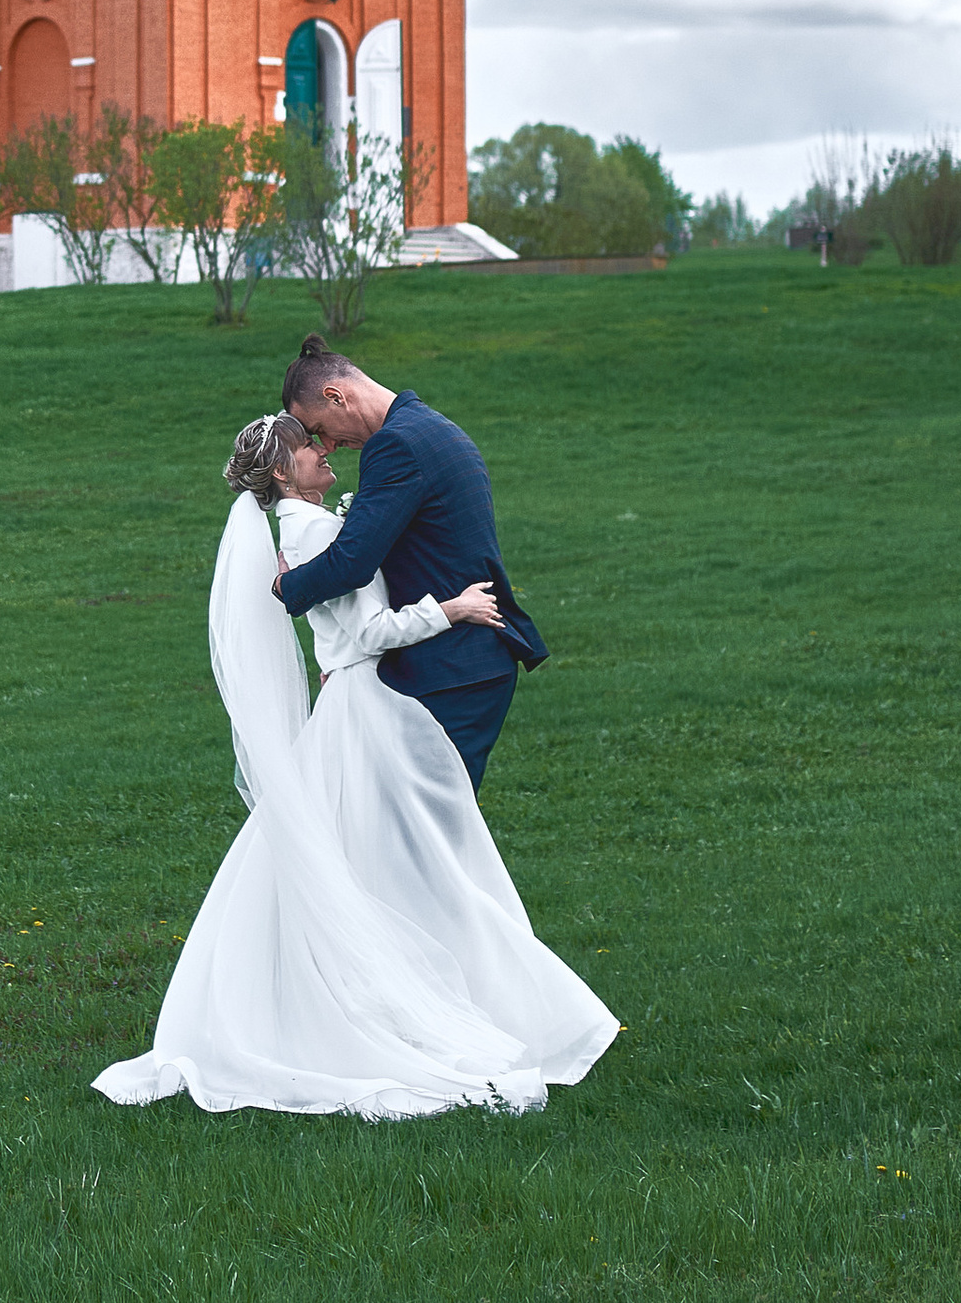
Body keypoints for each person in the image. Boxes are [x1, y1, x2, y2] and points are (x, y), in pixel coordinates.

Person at [93, 412, 616, 1121]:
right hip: (367, 708)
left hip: (349, 706)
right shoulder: (310, 533)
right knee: (413, 857)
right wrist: (451, 607)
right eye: (312, 446)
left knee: (357, 859)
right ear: (284, 471)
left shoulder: (296, 530)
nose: (326, 450)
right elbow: (366, 634)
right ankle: (413, 1003)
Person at [270, 332, 540, 791]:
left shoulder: (396, 446)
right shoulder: (431, 427)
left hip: (450, 667)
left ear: (337, 396)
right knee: (422, 835)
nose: (327, 445)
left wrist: (286, 589)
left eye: (319, 428)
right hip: (465, 662)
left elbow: (353, 562)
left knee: (423, 837)